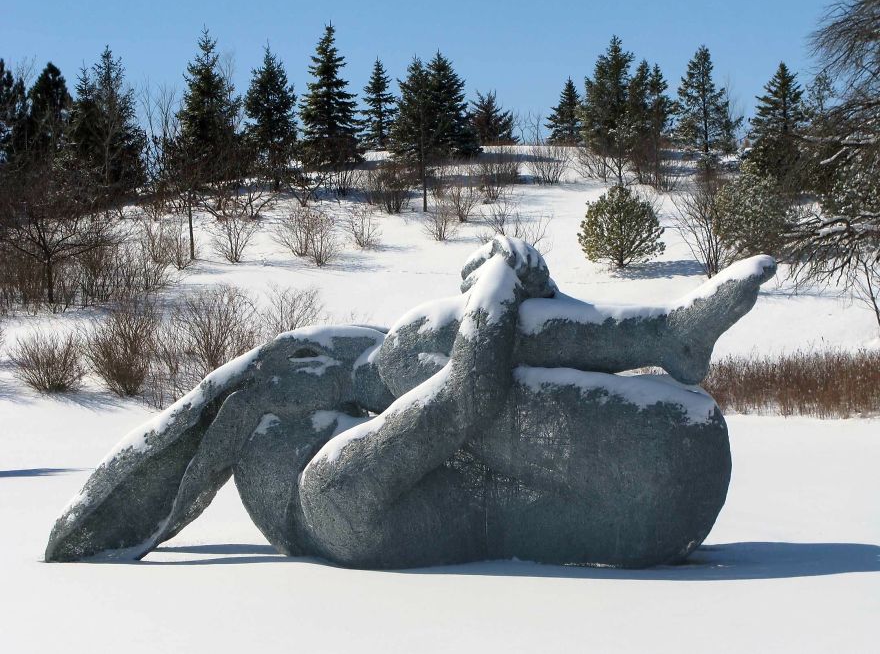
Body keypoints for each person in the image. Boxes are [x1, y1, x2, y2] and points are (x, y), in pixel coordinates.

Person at [46, 237, 775, 568]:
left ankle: (671, 335)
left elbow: (462, 390)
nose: (335, 383)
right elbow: (465, 399)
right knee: (407, 354)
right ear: (284, 431)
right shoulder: (332, 493)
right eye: (314, 381)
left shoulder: (327, 509)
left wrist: (518, 292)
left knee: (406, 353)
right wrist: (497, 292)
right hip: (644, 489)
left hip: (654, 484)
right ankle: (666, 335)